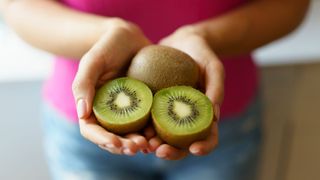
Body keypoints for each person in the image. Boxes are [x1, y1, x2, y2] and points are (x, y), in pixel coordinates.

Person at [1, 0, 309, 179]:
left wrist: (205, 36)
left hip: (223, 125)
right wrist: (104, 34)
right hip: (86, 131)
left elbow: (290, 5)